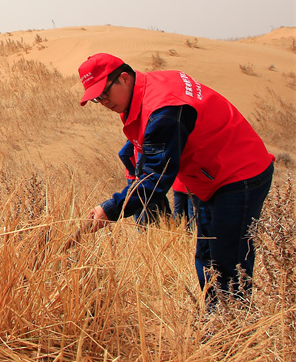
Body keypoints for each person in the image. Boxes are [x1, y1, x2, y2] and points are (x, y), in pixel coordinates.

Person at [79, 53, 274, 304]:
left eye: (103, 93)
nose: (102, 102)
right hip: (211, 180)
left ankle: (231, 329)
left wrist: (111, 209)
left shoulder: (164, 109)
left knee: (228, 258)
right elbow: (144, 160)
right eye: (96, 99)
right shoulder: (146, 92)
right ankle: (215, 319)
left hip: (239, 174)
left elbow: (156, 179)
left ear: (124, 78)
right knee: (206, 254)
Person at [118, 140, 171, 226]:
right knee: (146, 207)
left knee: (143, 206)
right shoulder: (139, 138)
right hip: (141, 177)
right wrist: (135, 172)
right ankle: (147, 231)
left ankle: (149, 230)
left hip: (141, 177)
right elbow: (123, 154)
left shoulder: (139, 137)